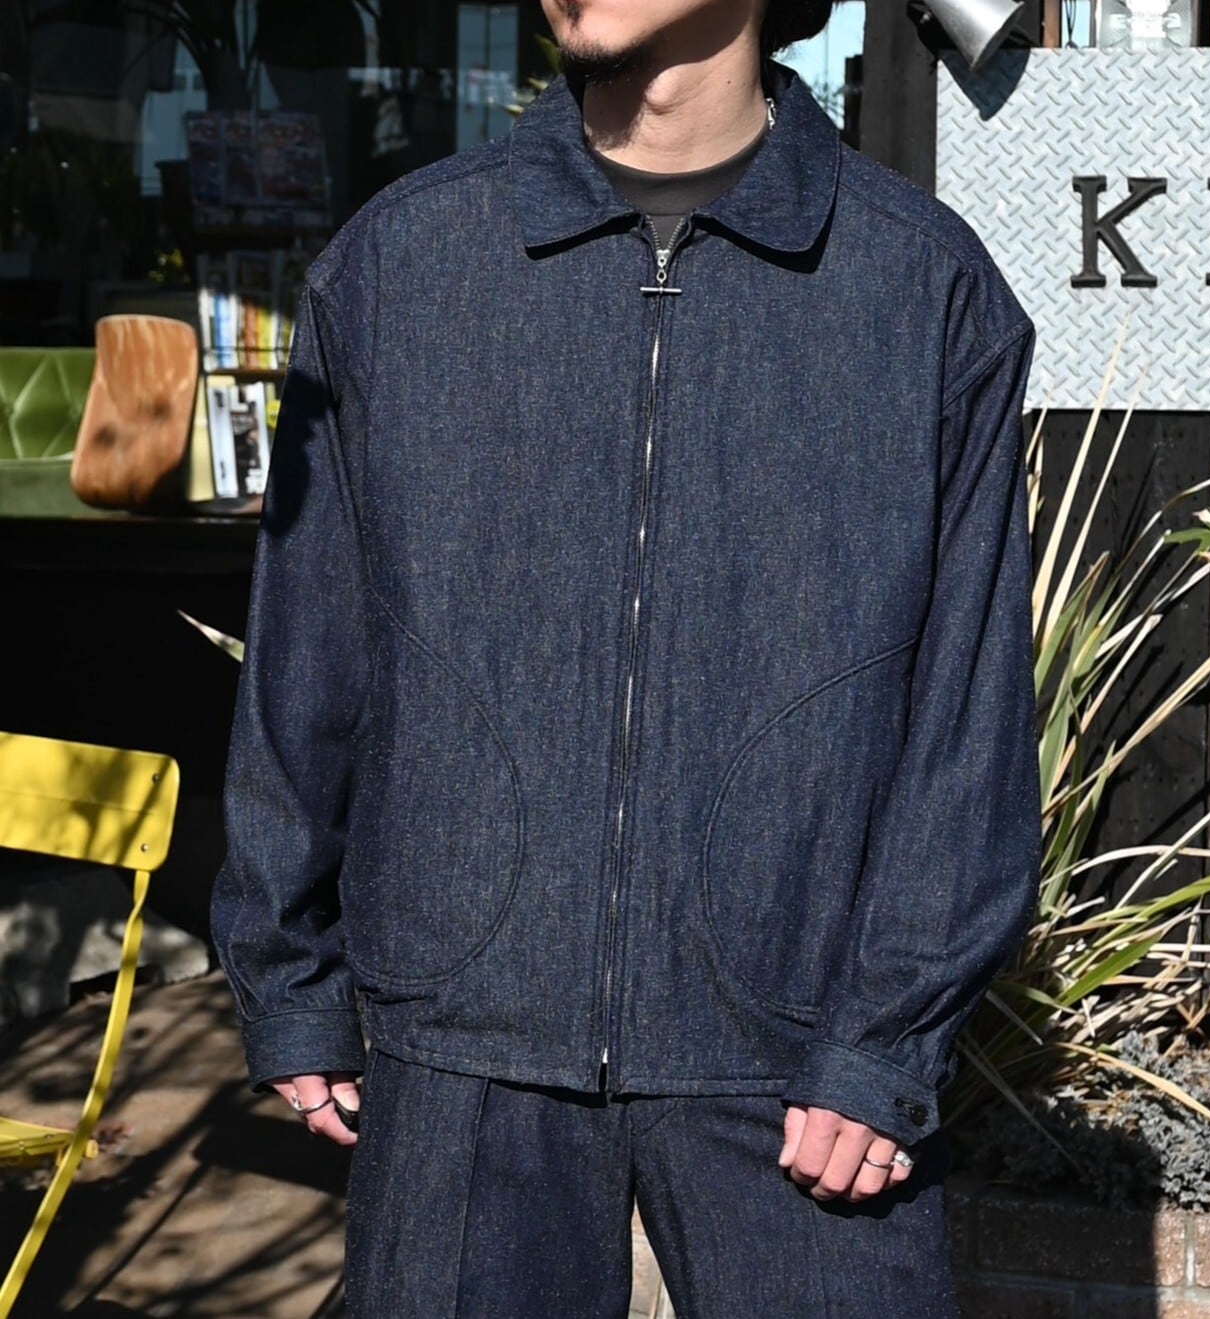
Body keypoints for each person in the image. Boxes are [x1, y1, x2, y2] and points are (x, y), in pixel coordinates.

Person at [211, 0, 1040, 1313]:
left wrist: (886, 1040)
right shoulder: (403, 264)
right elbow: (310, 651)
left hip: (801, 1061)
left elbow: (969, 713)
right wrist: (289, 976)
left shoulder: (918, 289)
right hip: (463, 1042)